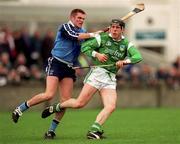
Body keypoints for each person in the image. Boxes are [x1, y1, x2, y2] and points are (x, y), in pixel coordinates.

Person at [41, 19, 143, 139]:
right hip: (97, 74)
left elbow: (138, 56)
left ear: (122, 30)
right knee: (79, 103)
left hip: (110, 78)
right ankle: (58, 106)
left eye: (117, 27)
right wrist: (97, 55)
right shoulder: (102, 38)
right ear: (110, 28)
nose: (114, 29)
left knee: (111, 106)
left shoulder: (126, 44)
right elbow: (85, 47)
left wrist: (125, 61)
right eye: (113, 27)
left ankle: (94, 130)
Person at [12, 8, 99, 139]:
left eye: (83, 19)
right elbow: (74, 36)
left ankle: (51, 131)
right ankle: (20, 108)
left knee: (65, 102)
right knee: (49, 94)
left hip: (69, 67)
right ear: (72, 18)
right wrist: (94, 34)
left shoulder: (83, 32)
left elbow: (88, 45)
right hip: (56, 63)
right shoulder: (65, 27)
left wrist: (104, 36)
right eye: (79, 18)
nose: (81, 20)